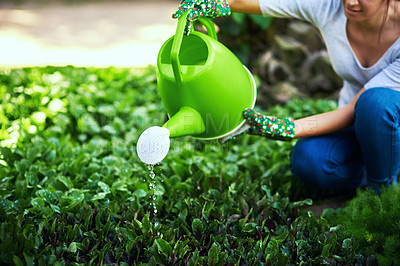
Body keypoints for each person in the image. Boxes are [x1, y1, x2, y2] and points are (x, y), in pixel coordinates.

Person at [173, 0, 400, 193]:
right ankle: (370, 172)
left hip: (388, 123)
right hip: (355, 125)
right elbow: (265, 2)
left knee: (376, 104)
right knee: (309, 160)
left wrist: (288, 128)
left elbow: (355, 109)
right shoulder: (330, 8)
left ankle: (381, 195)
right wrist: (220, 3)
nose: (350, 2)